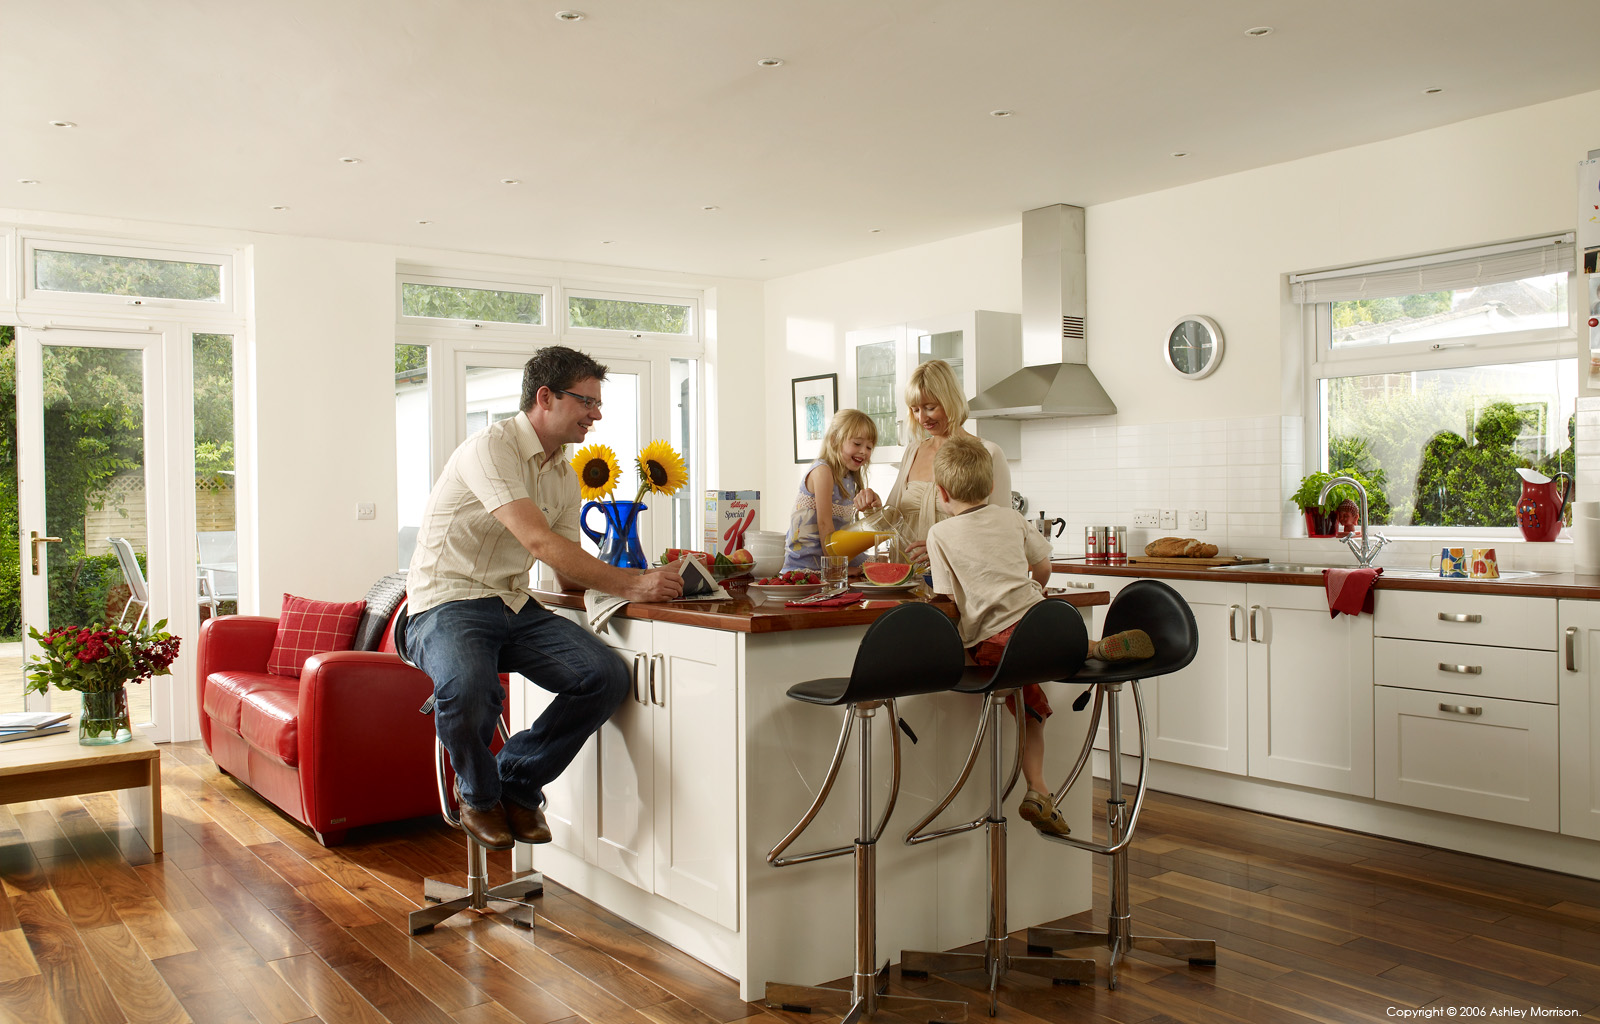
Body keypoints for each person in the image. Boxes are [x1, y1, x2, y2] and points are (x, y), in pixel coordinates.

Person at [404, 346, 683, 852]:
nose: (596, 415)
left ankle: (515, 784)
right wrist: (631, 585)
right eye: (587, 402)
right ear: (545, 397)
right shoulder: (490, 449)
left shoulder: (562, 471)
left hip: (511, 603)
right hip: (445, 603)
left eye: (598, 404)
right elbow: (537, 541)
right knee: (470, 688)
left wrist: (639, 575)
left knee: (604, 677)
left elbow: (563, 565)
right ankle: (479, 796)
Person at [924, 436, 1152, 837]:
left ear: (941, 494)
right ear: (993, 486)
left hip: (994, 644)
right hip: (1042, 624)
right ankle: (1092, 649)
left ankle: (1039, 788)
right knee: (1040, 689)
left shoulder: (941, 535)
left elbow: (946, 598)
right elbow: (1043, 568)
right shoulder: (1012, 519)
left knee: (1030, 708)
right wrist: (1033, 589)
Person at [883, 359, 1011, 565]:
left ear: (950, 401)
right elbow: (892, 516)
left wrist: (940, 546)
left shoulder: (988, 452)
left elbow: (1001, 530)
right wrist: (871, 507)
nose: (922, 418)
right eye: (915, 409)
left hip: (960, 574)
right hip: (907, 575)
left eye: (930, 407)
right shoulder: (913, 451)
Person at [782, 408, 881, 571]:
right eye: (857, 443)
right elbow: (825, 525)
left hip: (836, 556)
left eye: (869, 447)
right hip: (808, 564)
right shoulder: (822, 472)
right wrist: (838, 570)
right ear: (835, 440)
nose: (863, 451)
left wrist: (875, 506)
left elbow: (847, 532)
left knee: (882, 566)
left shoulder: (850, 477)